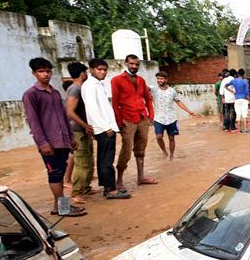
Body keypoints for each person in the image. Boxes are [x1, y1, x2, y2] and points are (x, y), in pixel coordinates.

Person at [22, 58, 85, 216]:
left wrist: (70, 137)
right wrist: (43, 143)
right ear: (34, 73)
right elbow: (33, 121)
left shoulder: (55, 93)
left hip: (63, 140)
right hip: (49, 143)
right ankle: (64, 208)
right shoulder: (31, 95)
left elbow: (64, 117)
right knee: (55, 175)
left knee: (60, 174)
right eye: (41, 71)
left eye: (48, 71)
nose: (45, 74)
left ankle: (58, 208)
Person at [81, 58, 129, 199]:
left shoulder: (98, 85)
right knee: (107, 160)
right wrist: (106, 127)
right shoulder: (90, 86)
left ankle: (107, 187)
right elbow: (92, 110)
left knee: (104, 158)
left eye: (104, 69)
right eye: (99, 69)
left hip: (106, 127)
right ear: (91, 70)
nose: (103, 72)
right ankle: (111, 189)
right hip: (104, 128)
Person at [111, 54, 157, 192]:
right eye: (131, 64)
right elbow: (115, 103)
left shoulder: (141, 80)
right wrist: (119, 122)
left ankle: (141, 177)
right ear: (126, 63)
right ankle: (119, 180)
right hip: (127, 119)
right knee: (126, 150)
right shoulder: (117, 80)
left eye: (136, 64)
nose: (134, 66)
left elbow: (148, 99)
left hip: (142, 118)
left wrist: (150, 115)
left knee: (141, 148)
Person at [64, 62, 94, 206]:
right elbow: (70, 112)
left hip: (83, 130)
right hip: (78, 131)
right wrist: (85, 125)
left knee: (88, 160)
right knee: (82, 163)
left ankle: (85, 187)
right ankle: (76, 193)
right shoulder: (75, 89)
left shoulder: (80, 88)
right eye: (86, 72)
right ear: (82, 73)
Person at [153, 71, 197, 160]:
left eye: (161, 78)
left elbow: (178, 102)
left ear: (166, 80)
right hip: (158, 118)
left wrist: (189, 111)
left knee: (171, 138)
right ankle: (164, 151)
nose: (159, 80)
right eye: (158, 78)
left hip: (171, 118)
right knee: (158, 136)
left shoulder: (172, 91)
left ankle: (171, 155)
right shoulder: (153, 90)